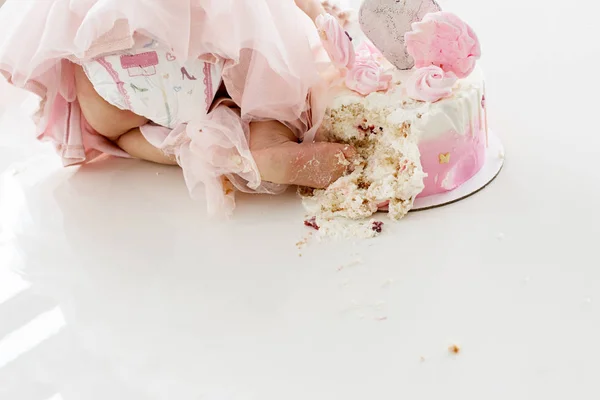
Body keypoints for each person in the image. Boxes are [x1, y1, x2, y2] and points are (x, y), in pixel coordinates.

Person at [0, 0, 356, 215]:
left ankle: (211, 151)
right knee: (270, 84)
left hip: (107, 59)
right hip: (204, 56)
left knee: (115, 132)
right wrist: (317, 14)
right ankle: (267, 138)